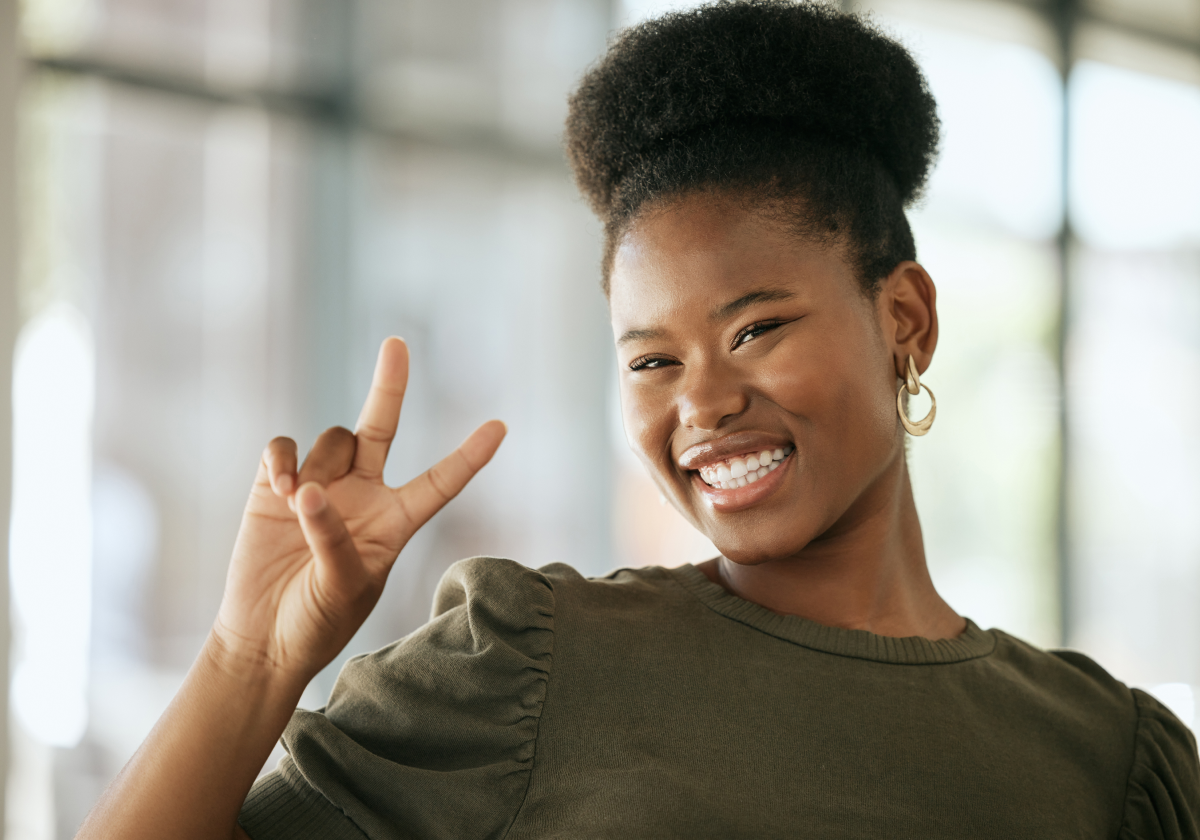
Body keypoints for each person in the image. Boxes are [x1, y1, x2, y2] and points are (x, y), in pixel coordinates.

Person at [77, 2, 1198, 838]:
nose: (700, 403)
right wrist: (246, 660)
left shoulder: (1110, 760)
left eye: (755, 330)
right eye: (651, 359)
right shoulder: (527, 667)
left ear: (903, 316)